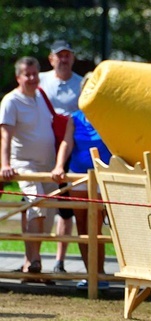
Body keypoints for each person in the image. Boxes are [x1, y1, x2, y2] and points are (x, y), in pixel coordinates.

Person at [51, 73, 111, 290]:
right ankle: (89, 274)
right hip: (77, 176)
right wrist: (59, 166)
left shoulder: (107, 116)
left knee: (95, 227)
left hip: (99, 177)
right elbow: (66, 144)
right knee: (82, 227)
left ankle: (100, 274)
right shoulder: (75, 118)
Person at [0, 56, 56, 276]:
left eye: (35, 74)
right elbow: (5, 136)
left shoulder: (42, 96)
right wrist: (4, 164)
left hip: (49, 166)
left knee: (45, 213)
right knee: (37, 203)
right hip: (24, 164)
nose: (32, 78)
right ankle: (35, 261)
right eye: (27, 74)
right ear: (18, 77)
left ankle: (29, 262)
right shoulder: (11, 101)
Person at [39, 39, 83, 274]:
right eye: (60, 55)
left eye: (68, 55)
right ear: (51, 58)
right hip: (43, 149)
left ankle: (59, 261)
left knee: (65, 208)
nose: (64, 59)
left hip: (69, 151)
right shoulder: (41, 82)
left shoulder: (81, 84)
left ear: (73, 58)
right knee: (35, 202)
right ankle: (32, 260)